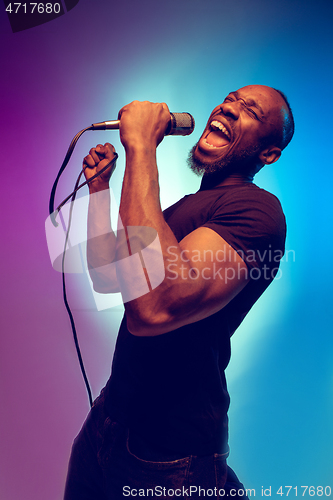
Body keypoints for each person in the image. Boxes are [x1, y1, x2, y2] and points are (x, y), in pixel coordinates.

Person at [64, 85, 294, 499]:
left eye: (250, 111)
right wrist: (100, 191)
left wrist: (141, 149)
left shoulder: (258, 211)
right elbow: (108, 277)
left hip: (168, 456)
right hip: (109, 419)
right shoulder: (182, 209)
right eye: (229, 98)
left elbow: (153, 307)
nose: (228, 106)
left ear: (268, 153)